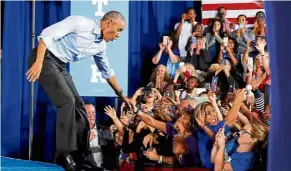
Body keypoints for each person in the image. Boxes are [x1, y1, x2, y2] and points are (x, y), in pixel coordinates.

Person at [26, 11, 131, 170]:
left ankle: (81, 155)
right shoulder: (82, 23)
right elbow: (46, 36)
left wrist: (122, 96)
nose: (118, 36)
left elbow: (107, 72)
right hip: (44, 58)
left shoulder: (100, 45)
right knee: (67, 101)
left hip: (60, 65)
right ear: (109, 23)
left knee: (79, 107)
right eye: (119, 30)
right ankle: (63, 153)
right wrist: (39, 63)